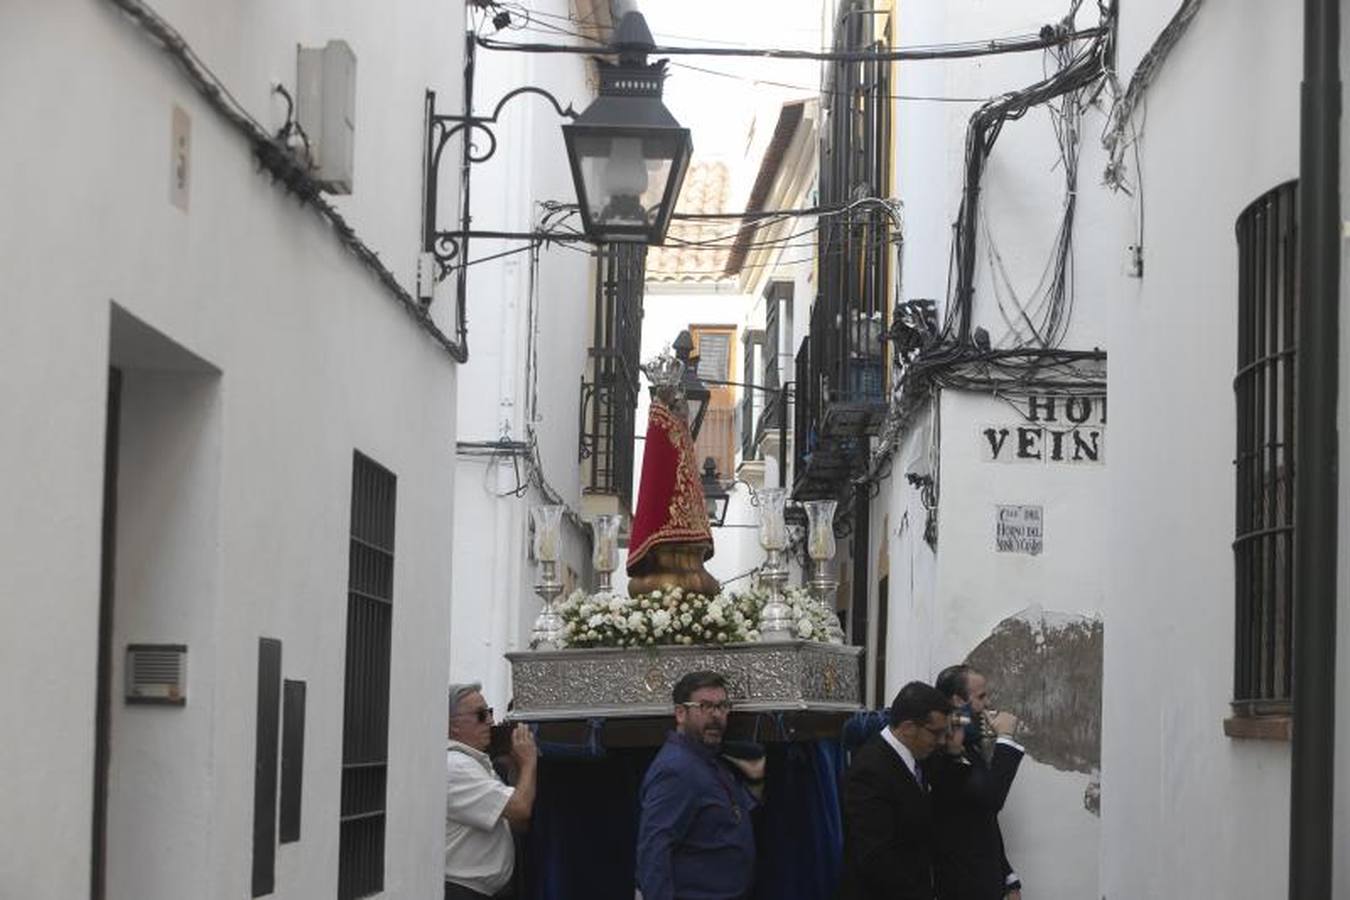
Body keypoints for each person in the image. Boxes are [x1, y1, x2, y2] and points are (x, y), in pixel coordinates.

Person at [636, 671, 762, 900]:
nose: (716, 715)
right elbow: (654, 851)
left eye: (722, 706)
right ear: (680, 713)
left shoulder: (709, 759)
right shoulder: (675, 770)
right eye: (704, 706)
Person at [836, 681, 954, 900]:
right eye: (935, 733)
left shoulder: (919, 757)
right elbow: (875, 856)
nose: (941, 742)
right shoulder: (870, 771)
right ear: (908, 728)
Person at [928, 665, 1025, 900]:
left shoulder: (968, 747)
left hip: (985, 882)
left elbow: (983, 817)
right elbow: (991, 799)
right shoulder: (940, 754)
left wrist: (1008, 877)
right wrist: (1005, 739)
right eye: (981, 697)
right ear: (958, 700)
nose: (987, 704)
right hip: (962, 887)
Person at [444, 682, 537, 900]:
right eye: (480, 715)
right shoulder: (456, 766)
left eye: (489, 713)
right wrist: (529, 762)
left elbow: (518, 823)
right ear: (452, 726)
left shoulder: (475, 764)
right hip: (459, 891)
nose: (490, 722)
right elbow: (521, 809)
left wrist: (517, 770)